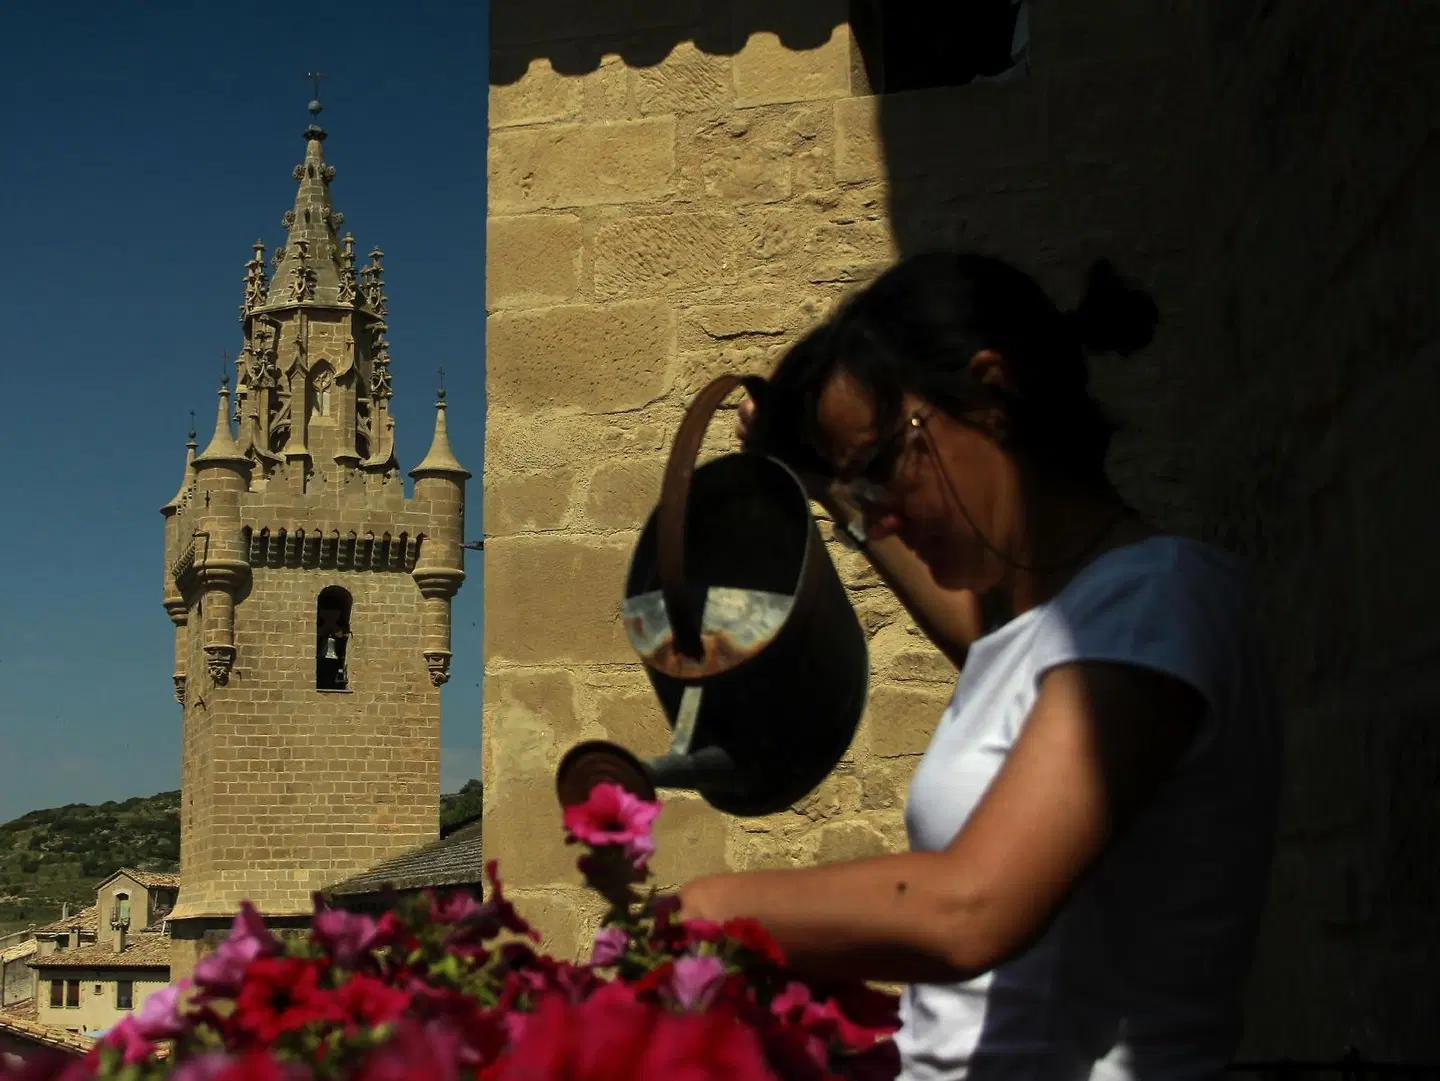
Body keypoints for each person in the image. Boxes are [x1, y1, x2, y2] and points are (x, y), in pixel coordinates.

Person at [676, 251, 1282, 1081]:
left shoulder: (1157, 604)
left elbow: (972, 908)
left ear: (990, 395)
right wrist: (827, 483)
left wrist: (712, 907)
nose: (881, 516)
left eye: (884, 467)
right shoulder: (1044, 633)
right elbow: (983, 635)